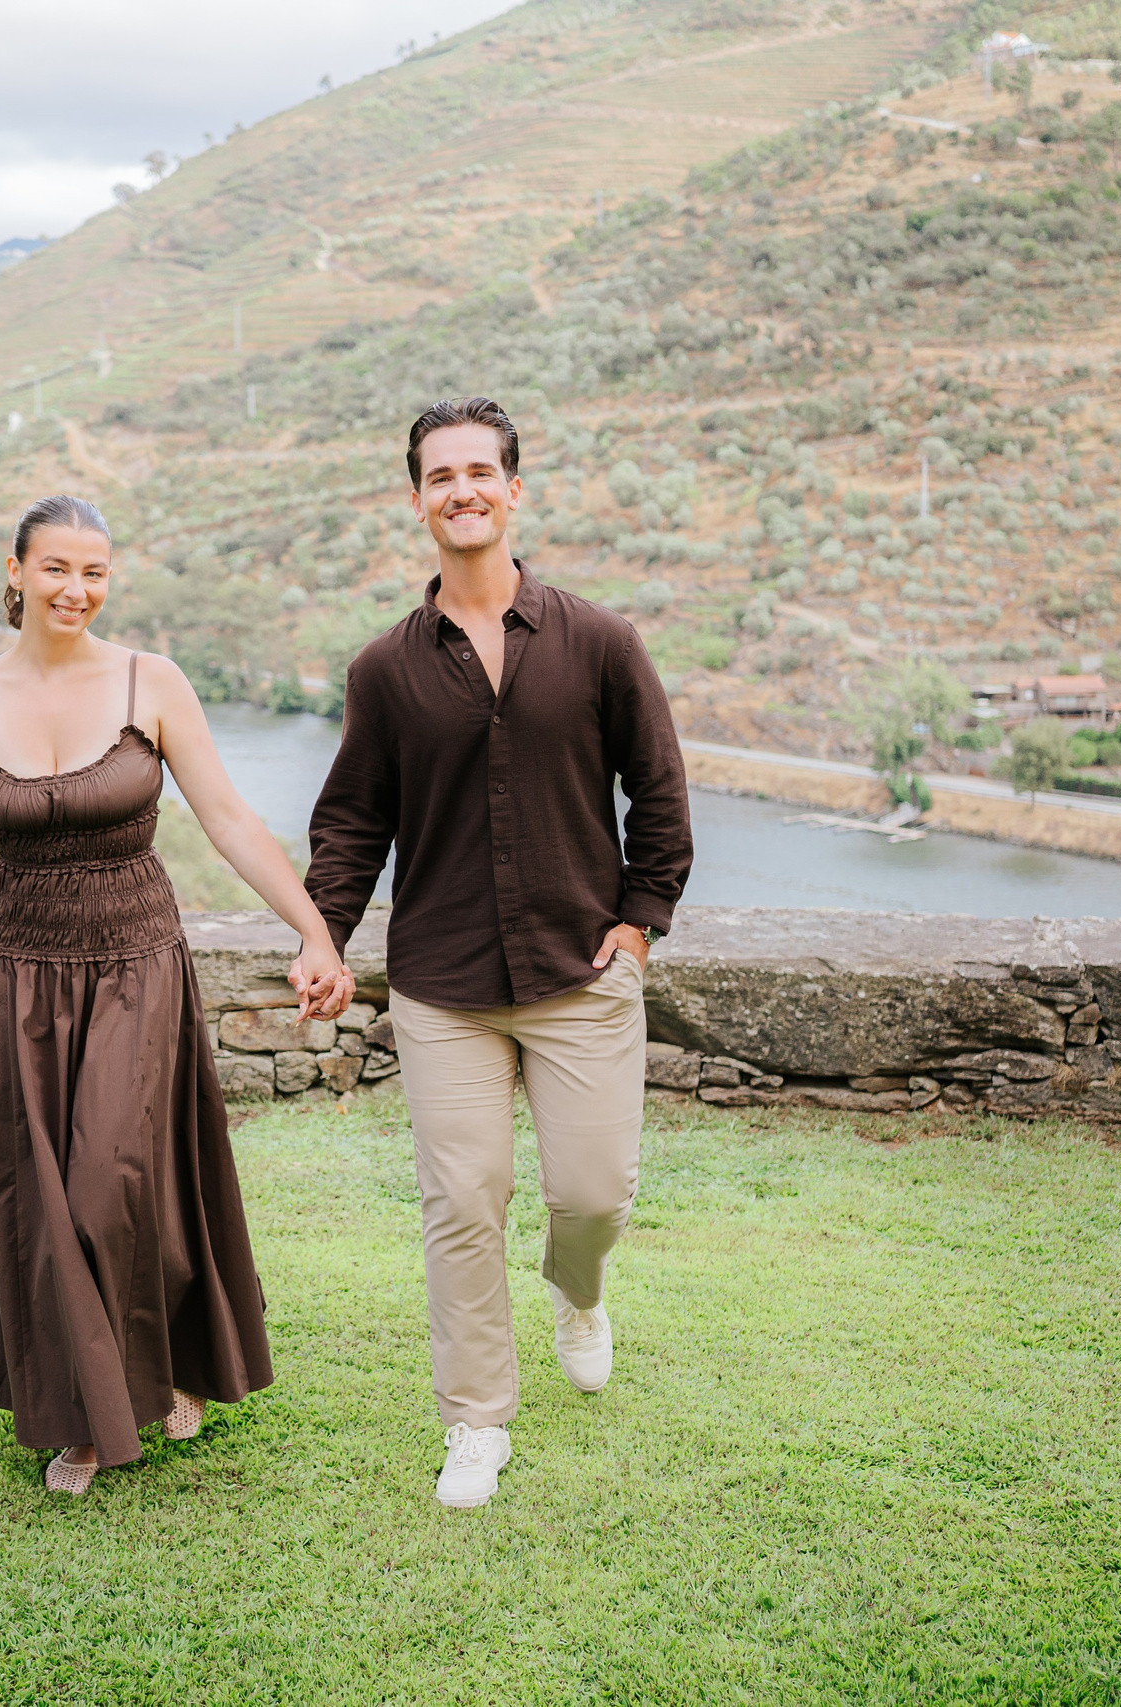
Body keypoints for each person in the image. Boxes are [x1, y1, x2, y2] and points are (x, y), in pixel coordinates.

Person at [0, 495, 355, 1495]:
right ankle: (88, 1413)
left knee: (111, 1187)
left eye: (95, 573)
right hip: (20, 978)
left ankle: (144, 1376)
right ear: (16, 572)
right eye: (57, 570)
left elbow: (229, 819)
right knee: (42, 1207)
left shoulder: (149, 682)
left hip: (134, 966)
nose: (76, 590)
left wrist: (313, 927)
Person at [301, 398, 693, 1510]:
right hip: (444, 987)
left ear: (514, 491)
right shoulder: (384, 670)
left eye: (482, 470)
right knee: (462, 1202)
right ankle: (475, 1421)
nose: (462, 489)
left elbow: (657, 792)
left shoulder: (600, 642)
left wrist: (640, 918)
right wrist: (324, 936)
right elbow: (350, 826)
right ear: (416, 500)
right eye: (440, 475)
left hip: (580, 973)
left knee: (594, 1193)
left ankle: (578, 1291)